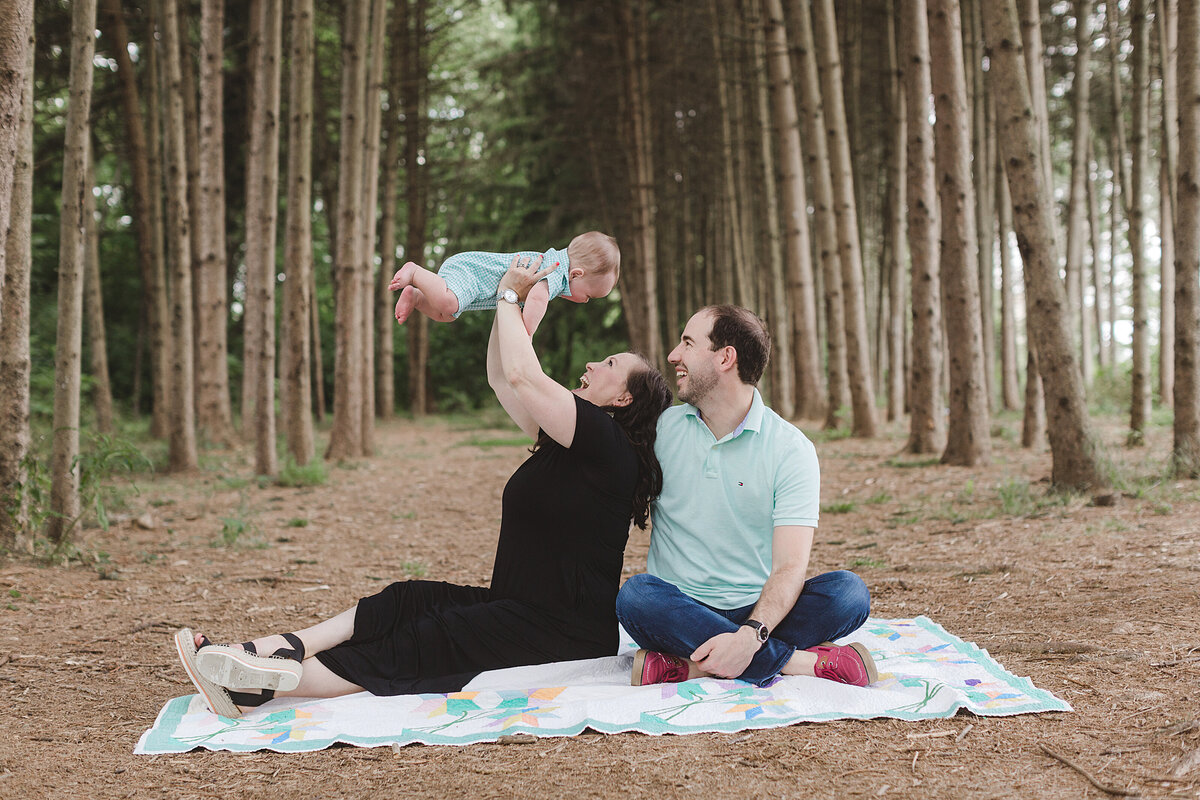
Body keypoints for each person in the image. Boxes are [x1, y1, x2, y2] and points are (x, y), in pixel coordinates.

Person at [175, 256, 672, 718]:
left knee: (421, 641)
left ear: (626, 397)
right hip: (518, 607)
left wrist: (506, 297)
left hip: (562, 631)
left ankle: (252, 685)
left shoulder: (608, 446)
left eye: (608, 364)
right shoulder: (572, 439)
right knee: (406, 601)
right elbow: (504, 378)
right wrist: (511, 308)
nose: (591, 365)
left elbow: (524, 373)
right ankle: (262, 652)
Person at [615, 305, 877, 689]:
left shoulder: (791, 449)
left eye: (687, 343)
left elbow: (790, 567)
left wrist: (752, 632)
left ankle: (692, 666)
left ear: (725, 357)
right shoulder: (660, 429)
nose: (673, 355)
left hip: (762, 612)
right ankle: (799, 664)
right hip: (678, 609)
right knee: (636, 596)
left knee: (848, 593)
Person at [389, 231, 620, 335]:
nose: (584, 302)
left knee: (447, 314)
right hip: (471, 271)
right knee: (449, 304)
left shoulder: (554, 268)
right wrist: (526, 332)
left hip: (476, 285)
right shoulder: (555, 271)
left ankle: (417, 296)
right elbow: (538, 299)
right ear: (577, 274)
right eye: (589, 296)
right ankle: (415, 271)